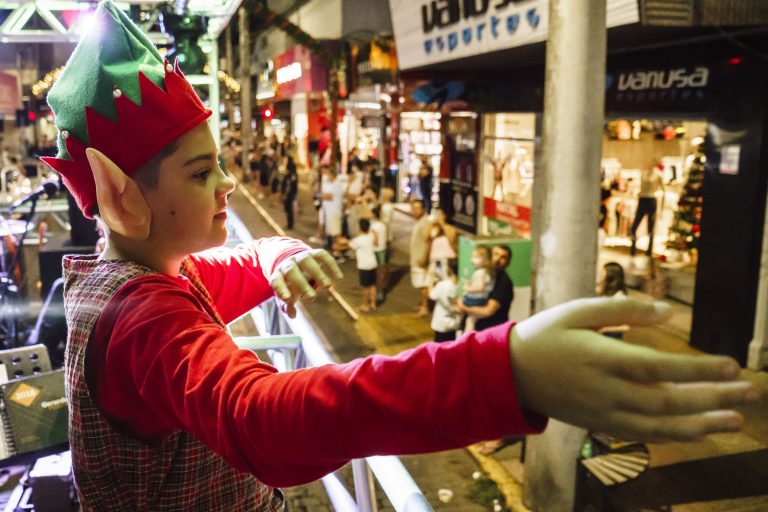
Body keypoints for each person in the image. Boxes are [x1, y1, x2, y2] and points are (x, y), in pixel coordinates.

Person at [41, 4, 759, 510]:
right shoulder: (145, 321)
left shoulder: (150, 276)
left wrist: (280, 255)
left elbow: (250, 259)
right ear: (121, 197)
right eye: (203, 173)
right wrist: (505, 374)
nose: (228, 183)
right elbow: (262, 417)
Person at [458, 245, 515, 332]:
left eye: (503, 257)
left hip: (489, 332)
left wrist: (464, 308)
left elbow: (487, 311)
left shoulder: (503, 282)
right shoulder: (487, 274)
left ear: (508, 262)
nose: (497, 259)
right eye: (495, 254)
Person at [630, 162, 665, 256]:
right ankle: (633, 250)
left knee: (650, 228)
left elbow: (663, 191)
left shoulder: (658, 174)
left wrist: (661, 210)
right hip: (642, 200)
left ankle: (649, 251)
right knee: (633, 228)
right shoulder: (642, 172)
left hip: (651, 201)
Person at [461, 246, 495, 332]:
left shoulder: (480, 272)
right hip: (481, 300)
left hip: (475, 300)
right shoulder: (486, 271)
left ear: (485, 259)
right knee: (471, 320)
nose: (472, 259)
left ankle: (468, 335)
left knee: (459, 308)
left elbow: (480, 287)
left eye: (476, 257)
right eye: (472, 256)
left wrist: (467, 288)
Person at [347, 218, 378, 313]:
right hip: (373, 263)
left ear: (360, 228)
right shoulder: (371, 236)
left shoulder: (358, 240)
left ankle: (365, 305)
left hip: (364, 265)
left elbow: (350, 245)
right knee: (372, 285)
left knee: (365, 287)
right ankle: (373, 304)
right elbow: (376, 243)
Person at [409, 199, 432, 316]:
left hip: (421, 260)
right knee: (420, 284)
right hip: (417, 258)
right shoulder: (419, 221)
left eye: (417, 209)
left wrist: (424, 258)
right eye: (413, 209)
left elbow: (428, 241)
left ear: (423, 209)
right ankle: (423, 304)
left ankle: (425, 307)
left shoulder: (424, 223)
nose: (414, 211)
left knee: (423, 284)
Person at [429, 259, 461, 342]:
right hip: (454, 323)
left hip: (440, 323)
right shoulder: (462, 286)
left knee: (439, 346)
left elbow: (432, 295)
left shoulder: (442, 285)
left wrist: (431, 281)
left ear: (450, 269)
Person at [598, 261, 629, 340]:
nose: (600, 274)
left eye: (603, 272)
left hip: (612, 337)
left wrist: (604, 329)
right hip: (604, 336)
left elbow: (625, 327)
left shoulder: (620, 297)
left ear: (611, 276)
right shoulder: (607, 294)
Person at [369, 206, 388, 304]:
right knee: (382, 272)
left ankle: (376, 294)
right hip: (383, 250)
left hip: (376, 251)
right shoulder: (383, 225)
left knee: (375, 274)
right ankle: (381, 292)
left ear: (373, 215)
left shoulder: (373, 226)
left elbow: (375, 241)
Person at [280, 156, 298, 230]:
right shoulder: (294, 175)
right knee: (290, 210)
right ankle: (290, 224)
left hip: (289, 195)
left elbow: (288, 186)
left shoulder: (289, 176)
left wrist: (284, 195)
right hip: (292, 194)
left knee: (288, 210)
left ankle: (289, 225)